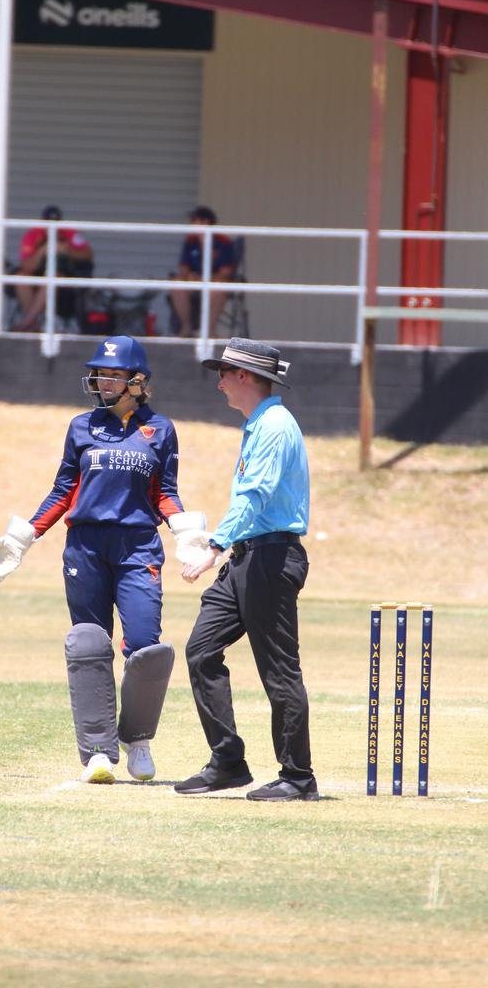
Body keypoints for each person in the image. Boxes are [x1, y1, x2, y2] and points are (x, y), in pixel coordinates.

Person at [0, 336, 201, 785]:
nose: (101, 381)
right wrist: (23, 539)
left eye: (112, 374)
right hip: (86, 547)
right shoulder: (81, 427)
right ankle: (98, 752)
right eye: (99, 373)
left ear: (136, 382)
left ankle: (137, 740)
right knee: (88, 643)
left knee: (145, 646)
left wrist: (187, 532)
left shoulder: (160, 430)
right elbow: (64, 490)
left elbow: (164, 492)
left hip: (138, 546)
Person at [173, 337, 319, 802]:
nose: (218, 384)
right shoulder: (258, 425)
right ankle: (228, 761)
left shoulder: (275, 426)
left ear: (245, 377)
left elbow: (255, 497)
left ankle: (298, 777)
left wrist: (213, 546)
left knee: (279, 671)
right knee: (200, 650)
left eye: (224, 373)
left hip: (272, 558)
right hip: (248, 557)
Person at [12, 205, 93, 332]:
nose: (52, 227)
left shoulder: (70, 233)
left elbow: (87, 255)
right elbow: (27, 266)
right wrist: (42, 251)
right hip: (37, 274)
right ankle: (33, 322)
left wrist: (67, 250)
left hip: (64, 276)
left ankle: (26, 324)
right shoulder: (33, 234)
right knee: (21, 277)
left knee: (51, 276)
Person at [169, 205, 235, 338]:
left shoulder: (223, 241)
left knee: (219, 288)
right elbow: (183, 268)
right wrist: (190, 276)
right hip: (194, 281)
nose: (192, 224)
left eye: (195, 221)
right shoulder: (191, 241)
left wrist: (206, 279)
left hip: (215, 282)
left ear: (206, 222)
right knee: (177, 284)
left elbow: (226, 272)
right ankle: (186, 328)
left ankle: (208, 331)